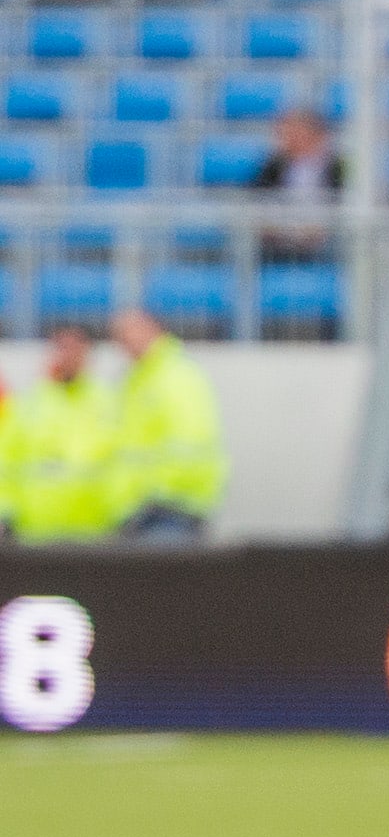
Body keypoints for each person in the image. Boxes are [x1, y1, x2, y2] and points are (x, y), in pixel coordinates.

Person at [107, 308, 228, 539]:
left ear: (155, 329)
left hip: (169, 507)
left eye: (131, 331)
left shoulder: (175, 375)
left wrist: (154, 492)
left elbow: (191, 443)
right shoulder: (137, 380)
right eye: (119, 336)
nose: (125, 341)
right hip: (142, 510)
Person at [0, 328, 117, 544]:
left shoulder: (110, 403)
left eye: (75, 349)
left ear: (87, 354)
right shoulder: (30, 403)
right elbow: (6, 459)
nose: (69, 356)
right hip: (35, 532)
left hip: (97, 532)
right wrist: (5, 511)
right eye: (63, 348)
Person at [252, 104, 343, 261]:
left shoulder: (336, 167)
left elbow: (344, 202)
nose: (286, 138)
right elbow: (257, 198)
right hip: (279, 238)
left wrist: (322, 227)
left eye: (295, 132)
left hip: (327, 240)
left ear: (315, 134)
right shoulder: (273, 166)